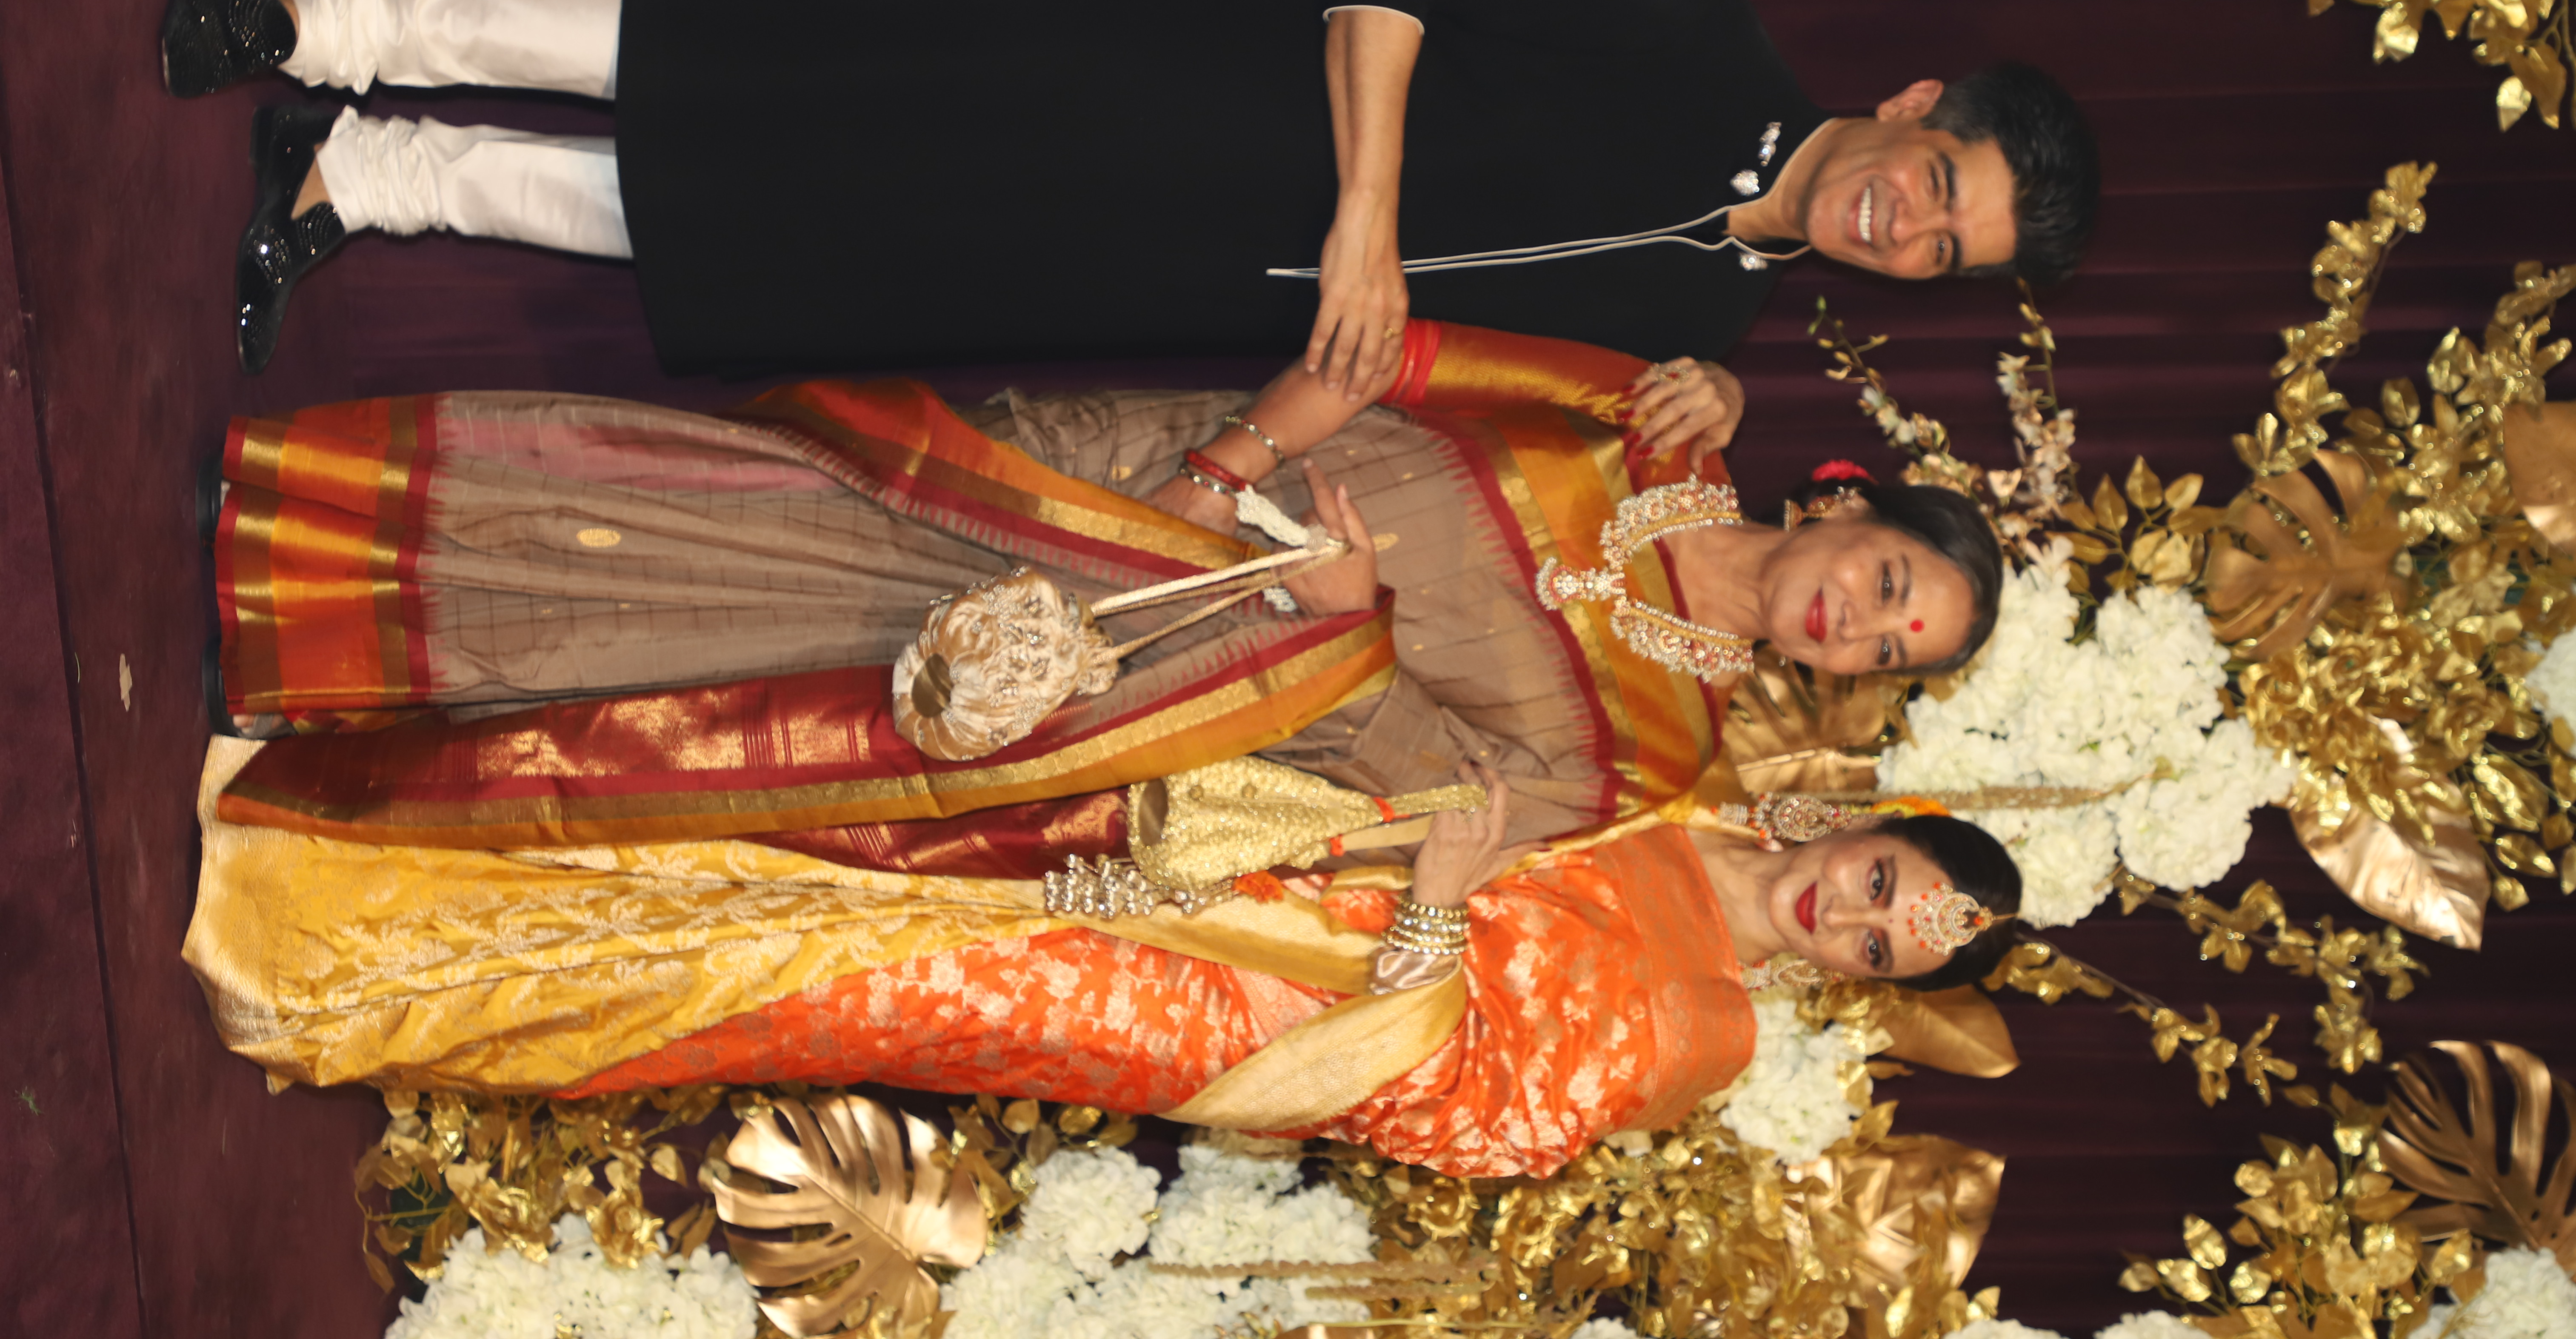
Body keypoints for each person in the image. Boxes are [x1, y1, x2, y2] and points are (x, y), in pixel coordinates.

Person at [203, 320, 2005, 855]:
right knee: (766, 500)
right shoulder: (1635, 410)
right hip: (1146, 476)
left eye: (1893, 647)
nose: (1859, 618)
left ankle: (323, 683)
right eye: (1891, 576)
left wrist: (1352, 634)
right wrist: (1223, 467)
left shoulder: (1662, 747)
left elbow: (1446, 793)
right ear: (1855, 504)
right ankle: (300, 524)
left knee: (752, 685)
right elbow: (1391, 344)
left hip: (1161, 670)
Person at [163, 0, 2103, 377]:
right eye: (1939, 185)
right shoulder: (1697, 21)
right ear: (1917, 108)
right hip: (1160, 72)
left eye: (1944, 250)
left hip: (1143, 268)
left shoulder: (1715, 335)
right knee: (742, 72)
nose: (1900, 225)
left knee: (763, 240)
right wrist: (1368, 214)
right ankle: (335, 17)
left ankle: (369, 179)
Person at [184, 756, 2024, 1178]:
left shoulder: (1704, 1026)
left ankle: (338, 982)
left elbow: (1460, 1116)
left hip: (1217, 1006)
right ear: (1867, 819)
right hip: (1194, 839)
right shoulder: (1661, 778)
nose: (1847, 921)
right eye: (1879, 881)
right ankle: (343, 845)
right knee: (807, 846)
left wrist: (1435, 909)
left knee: (820, 983)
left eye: (1879, 947)